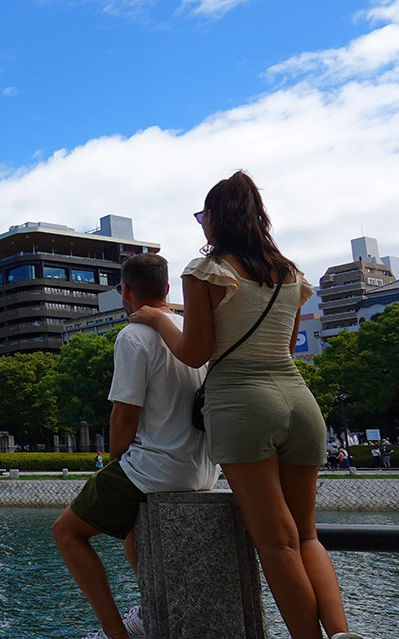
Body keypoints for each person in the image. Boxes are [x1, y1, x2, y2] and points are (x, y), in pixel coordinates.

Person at [129, 171, 360, 639]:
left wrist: (157, 316)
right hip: (299, 400)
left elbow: (195, 352)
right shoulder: (290, 273)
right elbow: (289, 346)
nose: (201, 225)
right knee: (307, 534)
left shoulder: (206, 271)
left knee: (276, 541)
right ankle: (340, 633)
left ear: (215, 218)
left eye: (202, 216)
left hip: (241, 402)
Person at [54, 252, 218, 639]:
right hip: (205, 468)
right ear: (166, 289)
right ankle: (151, 607)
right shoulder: (191, 331)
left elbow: (124, 416)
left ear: (124, 291)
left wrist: (114, 464)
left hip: (157, 466)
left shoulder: (133, 335)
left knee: (66, 533)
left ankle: (116, 634)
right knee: (129, 524)